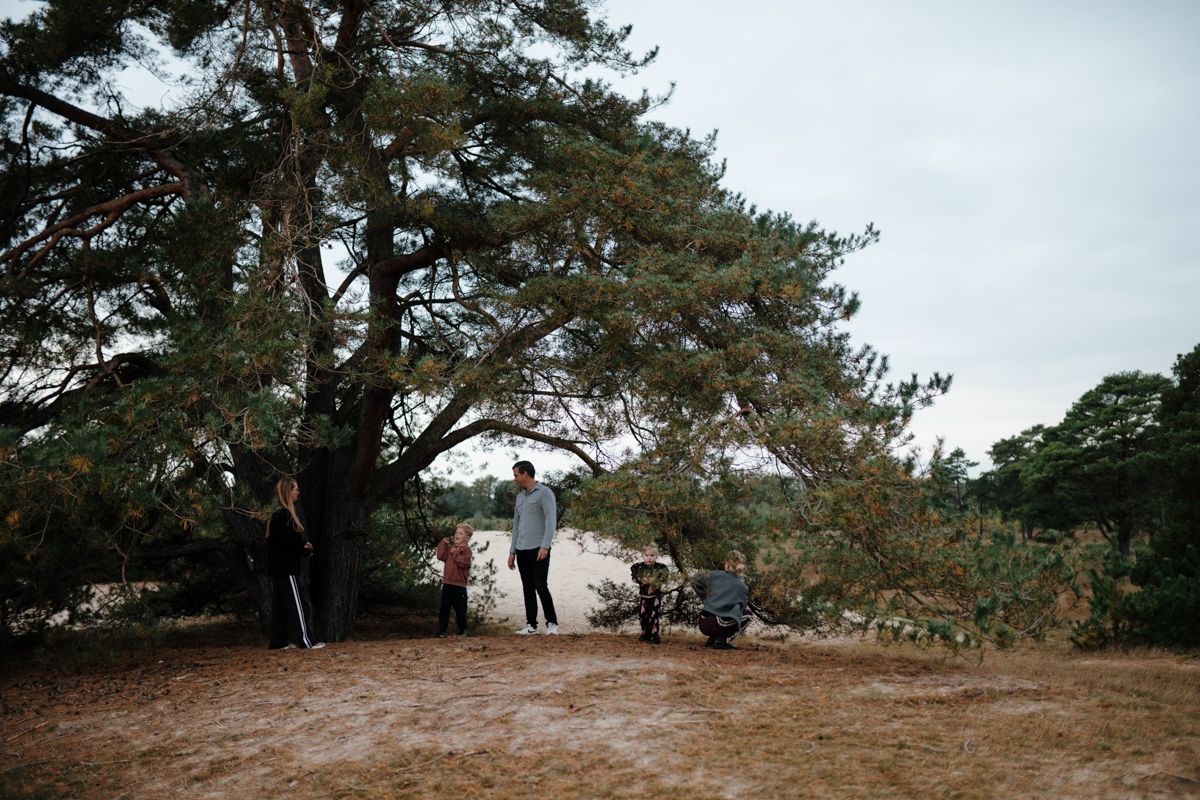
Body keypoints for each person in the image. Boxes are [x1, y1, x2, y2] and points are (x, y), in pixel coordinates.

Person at [266, 477, 325, 650]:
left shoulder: (279, 515)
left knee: (280, 607)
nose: (298, 491)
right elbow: (288, 543)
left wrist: (302, 547)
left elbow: (285, 542)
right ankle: (306, 642)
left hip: (279, 569)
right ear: (288, 491)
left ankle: (277, 642)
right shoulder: (283, 515)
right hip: (286, 569)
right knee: (295, 606)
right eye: (296, 489)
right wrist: (305, 550)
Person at [507, 460, 559, 635]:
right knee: (527, 587)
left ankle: (552, 623)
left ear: (525, 474)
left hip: (539, 548)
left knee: (540, 585)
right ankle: (531, 625)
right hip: (521, 549)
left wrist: (545, 546)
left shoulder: (545, 493)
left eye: (516, 475)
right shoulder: (520, 496)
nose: (514, 478)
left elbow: (551, 521)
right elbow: (516, 525)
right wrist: (512, 551)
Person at [691, 549, 751, 650]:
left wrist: (706, 598)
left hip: (703, 622)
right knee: (748, 615)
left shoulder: (714, 574)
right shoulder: (742, 587)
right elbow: (742, 608)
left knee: (727, 616)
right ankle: (722, 641)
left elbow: (694, 580)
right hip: (717, 623)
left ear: (727, 565)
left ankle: (713, 640)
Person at [436, 522, 474, 638]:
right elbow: (440, 556)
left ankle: (462, 630)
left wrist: (456, 553)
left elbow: (464, 563)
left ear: (467, 538)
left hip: (459, 586)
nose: (457, 535)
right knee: (444, 609)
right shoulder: (450, 548)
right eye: (456, 532)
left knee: (460, 610)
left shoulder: (467, 550)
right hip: (447, 583)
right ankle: (442, 631)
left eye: (461, 533)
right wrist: (442, 544)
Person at [631, 544, 670, 644]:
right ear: (643, 556)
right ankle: (645, 633)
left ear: (656, 556)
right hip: (643, 597)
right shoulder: (639, 567)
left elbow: (664, 579)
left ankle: (654, 635)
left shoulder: (660, 567)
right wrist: (641, 579)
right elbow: (634, 578)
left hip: (655, 597)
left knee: (653, 615)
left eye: (652, 555)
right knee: (642, 615)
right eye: (647, 555)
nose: (649, 557)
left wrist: (655, 582)